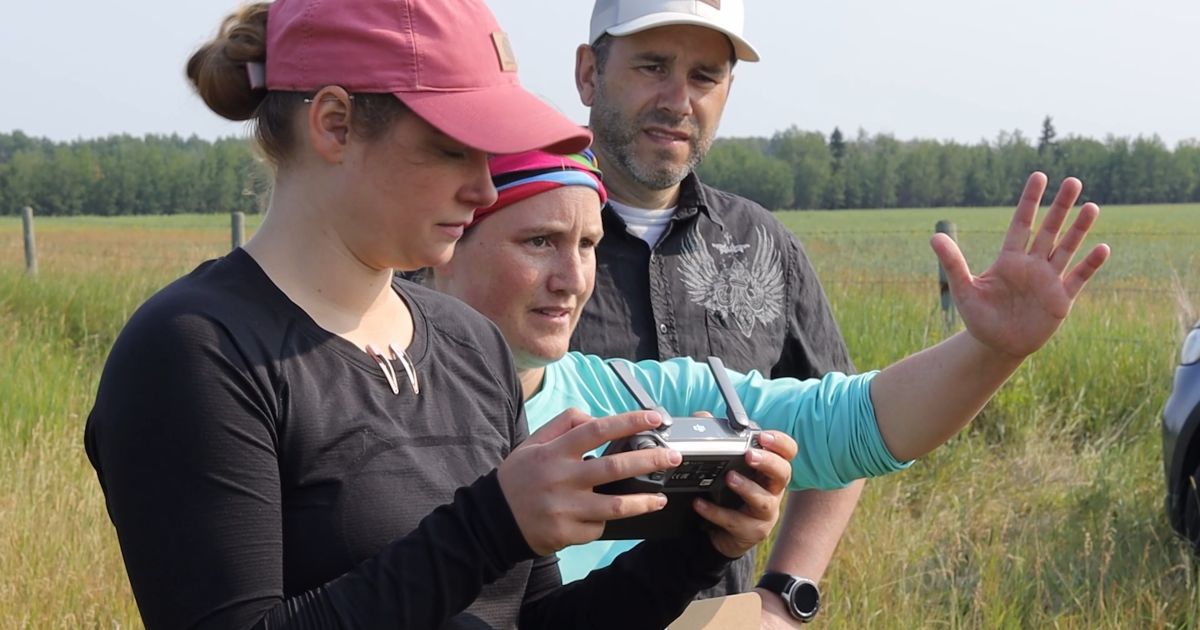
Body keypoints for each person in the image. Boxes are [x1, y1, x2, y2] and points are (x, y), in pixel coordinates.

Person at [82, 2, 797, 629]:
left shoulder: (469, 342)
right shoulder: (196, 352)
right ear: (334, 124)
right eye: (451, 148)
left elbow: (531, 622)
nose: (484, 185)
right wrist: (494, 524)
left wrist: (700, 548)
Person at [427, 150, 1110, 607]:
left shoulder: (634, 397)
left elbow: (848, 425)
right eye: (539, 242)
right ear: (444, 243)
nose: (573, 280)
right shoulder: (373, 406)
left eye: (586, 247)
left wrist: (989, 352)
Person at [570, 0, 863, 617]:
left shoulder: (763, 245)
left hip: (717, 616)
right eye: (653, 66)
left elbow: (842, 429)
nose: (680, 99)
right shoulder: (503, 234)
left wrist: (787, 594)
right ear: (588, 74)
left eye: (705, 76)